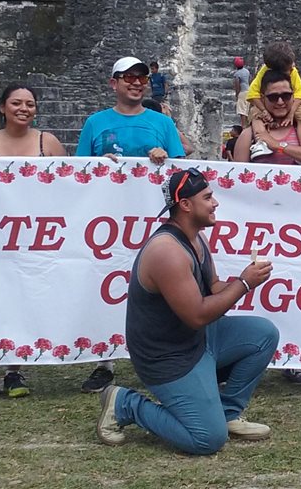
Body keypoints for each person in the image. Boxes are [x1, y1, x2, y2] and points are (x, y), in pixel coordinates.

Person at [95, 169, 278, 454]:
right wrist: (244, 283)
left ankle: (228, 414)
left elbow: (213, 287)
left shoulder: (196, 237)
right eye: (207, 197)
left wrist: (246, 278)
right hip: (168, 357)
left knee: (264, 334)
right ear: (186, 205)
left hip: (197, 339)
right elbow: (197, 315)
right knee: (207, 439)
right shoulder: (167, 250)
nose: (215, 203)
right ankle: (124, 403)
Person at [76, 56, 186, 393]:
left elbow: (181, 173)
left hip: (152, 221)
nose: (136, 82)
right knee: (103, 283)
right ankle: (103, 361)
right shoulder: (95, 123)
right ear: (114, 83)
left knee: (161, 286)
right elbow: (77, 174)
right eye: (128, 77)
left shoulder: (163, 124)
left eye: (141, 77)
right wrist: (99, 165)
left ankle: (162, 357)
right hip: (106, 224)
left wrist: (163, 158)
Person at [0, 83, 67, 399]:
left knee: (23, 299)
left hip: (36, 234)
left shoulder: (47, 142)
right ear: (2, 107)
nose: (23, 109)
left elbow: (69, 182)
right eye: (16, 103)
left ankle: (14, 370)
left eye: (30, 104)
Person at [233, 70, 301, 385]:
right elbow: (235, 175)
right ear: (263, 98)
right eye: (272, 96)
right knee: (259, 290)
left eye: (285, 96)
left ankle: (296, 356)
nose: (278, 102)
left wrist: (279, 147)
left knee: (297, 286)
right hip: (261, 224)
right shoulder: (250, 132)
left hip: (300, 225)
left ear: (293, 97)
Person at [245, 41, 301, 159]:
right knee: (254, 113)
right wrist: (264, 111)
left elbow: (300, 95)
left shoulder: (293, 71)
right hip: (265, 104)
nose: (292, 67)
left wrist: (291, 114)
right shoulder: (264, 71)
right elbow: (253, 94)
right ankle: (260, 142)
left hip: (291, 106)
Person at [232, 57, 251, 128]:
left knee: (242, 111)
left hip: (242, 92)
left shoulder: (237, 74)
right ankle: (247, 124)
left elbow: (237, 84)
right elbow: (250, 80)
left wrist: (237, 94)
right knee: (247, 109)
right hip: (248, 91)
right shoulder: (247, 71)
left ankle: (244, 126)